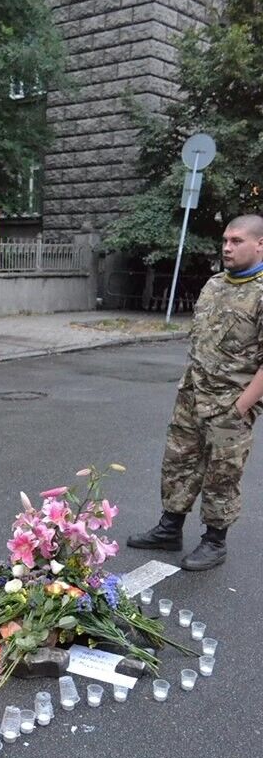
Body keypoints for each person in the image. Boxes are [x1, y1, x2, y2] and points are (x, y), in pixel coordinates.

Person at [128, 214, 263, 570]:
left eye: (237, 241)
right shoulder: (214, 284)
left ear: (260, 244)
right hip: (191, 395)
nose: (227, 247)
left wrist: (241, 406)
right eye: (225, 240)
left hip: (230, 403)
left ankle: (214, 542)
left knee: (222, 474)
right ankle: (169, 528)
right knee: (178, 462)